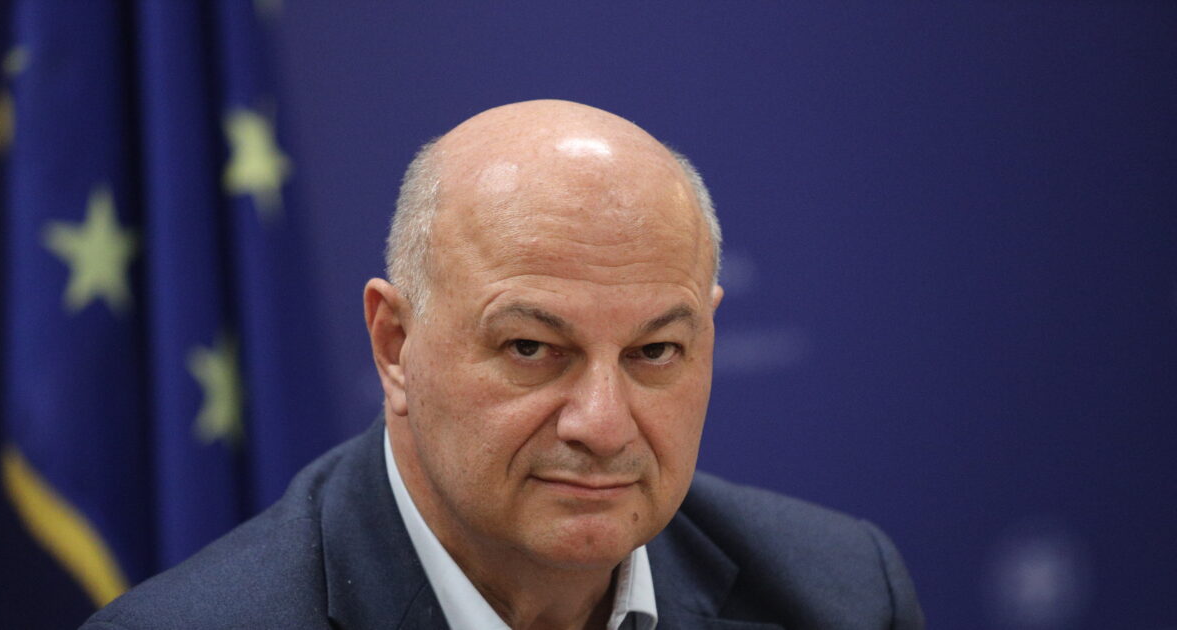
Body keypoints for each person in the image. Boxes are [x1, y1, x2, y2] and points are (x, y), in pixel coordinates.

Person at [83, 100, 924, 629]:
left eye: (654, 352)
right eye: (531, 349)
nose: (603, 426)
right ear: (395, 345)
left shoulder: (841, 596)